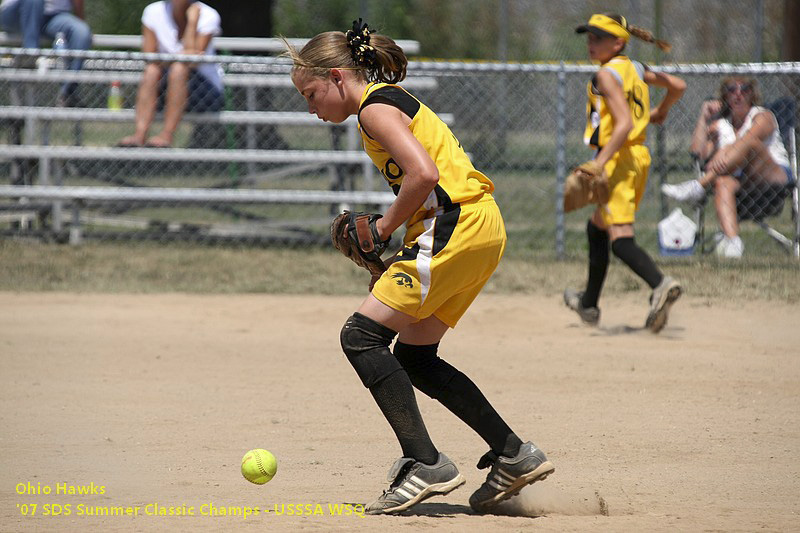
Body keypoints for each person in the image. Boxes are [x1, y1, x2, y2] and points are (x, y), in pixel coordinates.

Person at [286, 20, 554, 515]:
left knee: (361, 337)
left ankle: (425, 461)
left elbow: (424, 174)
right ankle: (514, 455)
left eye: (311, 92)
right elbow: (428, 180)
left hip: (454, 226)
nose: (310, 107)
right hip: (479, 226)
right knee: (417, 356)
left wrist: (384, 228)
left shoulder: (373, 110)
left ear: (339, 78)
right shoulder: (387, 99)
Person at [564, 13, 686, 333]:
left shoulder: (606, 75)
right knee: (598, 228)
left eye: (599, 38)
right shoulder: (636, 68)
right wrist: (659, 112)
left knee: (620, 238)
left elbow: (624, 124)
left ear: (618, 42)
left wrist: (599, 163)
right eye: (589, 37)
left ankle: (661, 284)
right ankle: (588, 305)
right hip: (638, 157)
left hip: (618, 158)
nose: (591, 43)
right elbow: (678, 85)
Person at [661, 77, 794, 258]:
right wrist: (703, 117)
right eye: (732, 89)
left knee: (750, 144)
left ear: (752, 94)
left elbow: (748, 140)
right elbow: (698, 154)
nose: (738, 94)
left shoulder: (763, 116)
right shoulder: (722, 125)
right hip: (743, 185)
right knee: (723, 182)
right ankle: (733, 245)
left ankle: (699, 186)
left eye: (744, 89)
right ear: (725, 95)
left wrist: (722, 152)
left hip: (774, 178)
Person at [117, 0, 224, 148]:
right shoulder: (153, 11)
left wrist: (192, 23)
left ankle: (167, 135)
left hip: (205, 91)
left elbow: (193, 62)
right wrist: (181, 57)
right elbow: (149, 56)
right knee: (152, 71)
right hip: (166, 83)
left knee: (179, 69)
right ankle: (139, 135)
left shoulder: (207, 14)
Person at [0, 0, 92, 105]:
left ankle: (68, 92)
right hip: (16, 13)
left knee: (81, 32)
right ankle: (31, 55)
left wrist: (80, 19)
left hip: (54, 17)